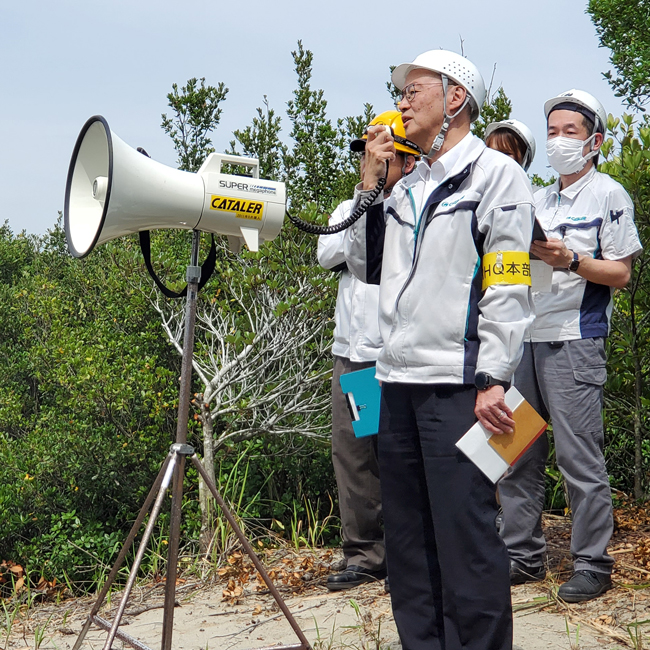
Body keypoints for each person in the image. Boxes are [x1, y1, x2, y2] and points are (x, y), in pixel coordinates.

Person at [343, 49, 535, 650]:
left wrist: (494, 376)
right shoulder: (406, 183)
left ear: (455, 97)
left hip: (460, 384)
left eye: (413, 89)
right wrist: (372, 183)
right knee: (406, 542)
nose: (401, 100)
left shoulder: (497, 176)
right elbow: (363, 263)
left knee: (467, 537)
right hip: (394, 379)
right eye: (398, 92)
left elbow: (507, 282)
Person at [498, 90, 642, 602]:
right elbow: (511, 270)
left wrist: (571, 260)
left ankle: (592, 564)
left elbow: (621, 273)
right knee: (514, 455)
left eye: (570, 132)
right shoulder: (534, 198)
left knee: (579, 459)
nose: (558, 140)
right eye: (552, 131)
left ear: (594, 141)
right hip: (523, 341)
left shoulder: (609, 195)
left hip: (575, 341)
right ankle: (521, 556)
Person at [318, 111, 420, 591]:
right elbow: (328, 253)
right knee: (358, 454)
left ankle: (409, 551)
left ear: (407, 157)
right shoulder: (349, 206)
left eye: (383, 152)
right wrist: (366, 196)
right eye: (368, 151)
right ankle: (364, 554)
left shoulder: (417, 206)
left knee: (398, 454)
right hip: (357, 355)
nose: (372, 160)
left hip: (400, 357)